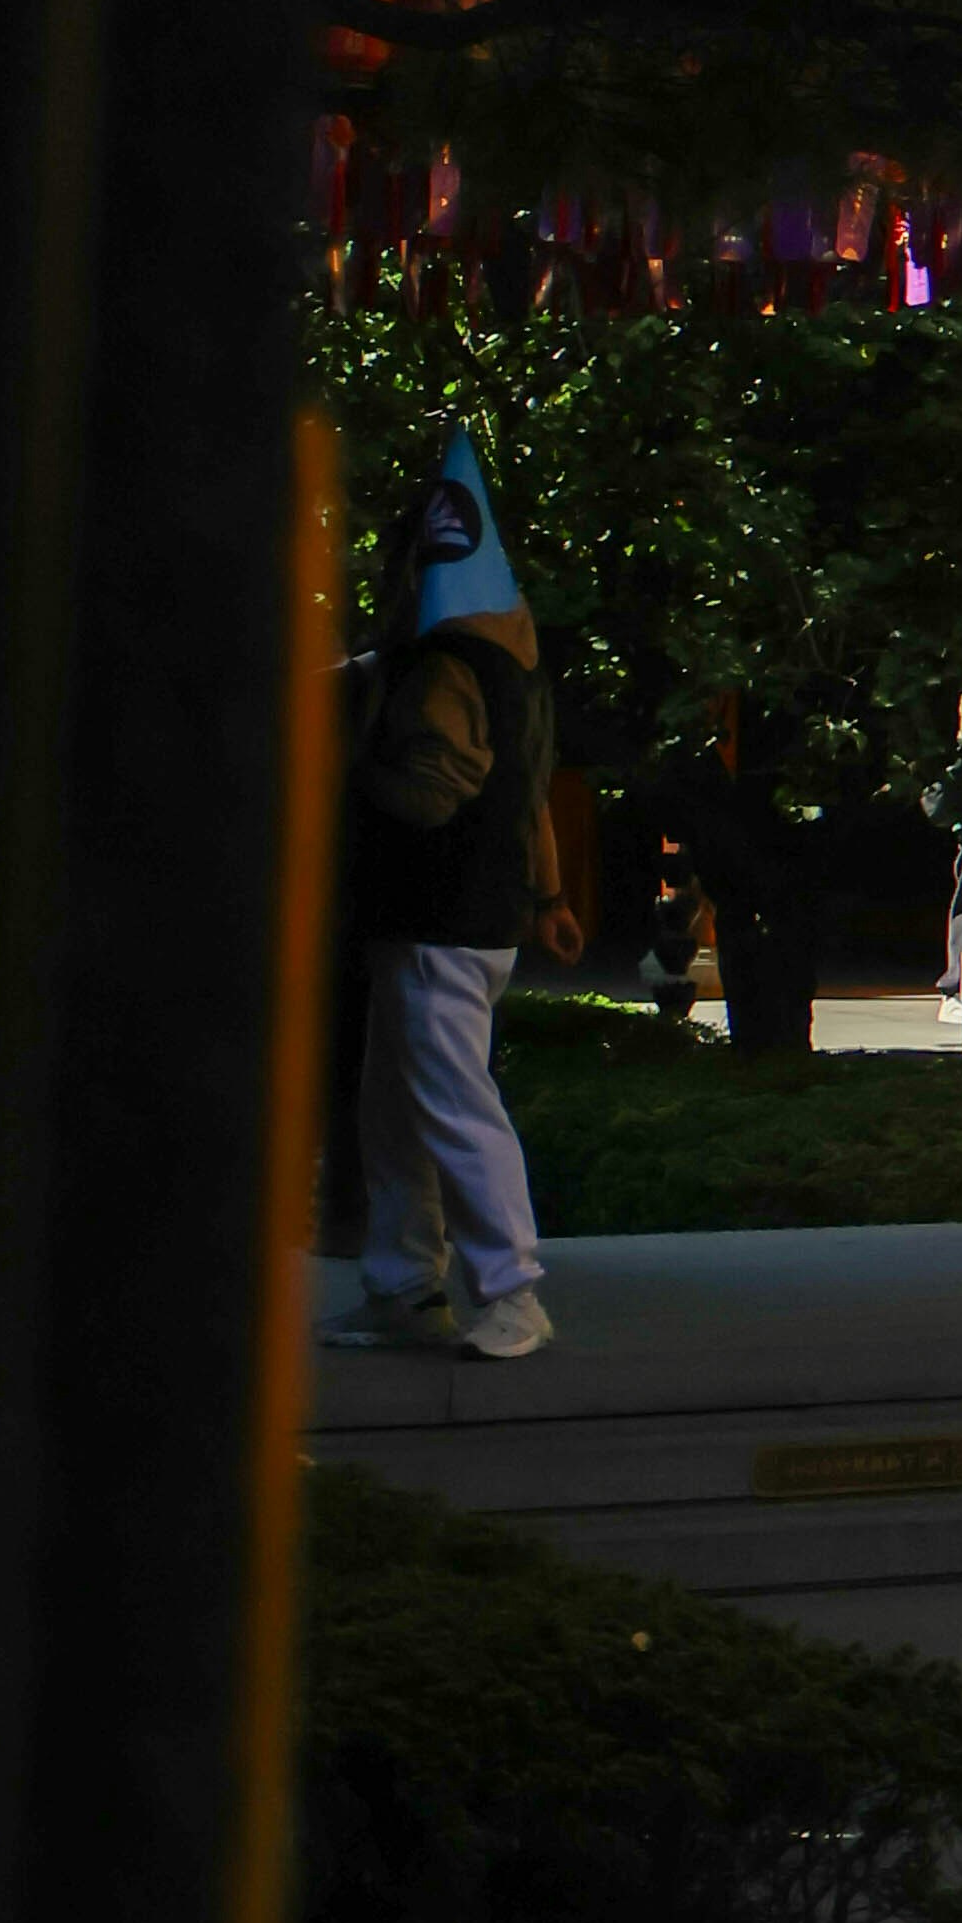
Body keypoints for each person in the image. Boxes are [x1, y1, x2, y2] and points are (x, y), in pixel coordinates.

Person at [331, 428, 578, 1360]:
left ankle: (511, 1293)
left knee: (447, 1105)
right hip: (471, 916)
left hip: (436, 914)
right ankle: (402, 1286)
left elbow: (434, 791)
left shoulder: (437, 666)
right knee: (400, 1109)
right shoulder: (513, 667)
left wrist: (351, 779)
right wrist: (549, 898)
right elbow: (531, 794)